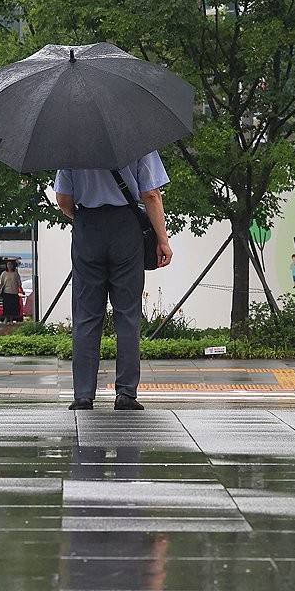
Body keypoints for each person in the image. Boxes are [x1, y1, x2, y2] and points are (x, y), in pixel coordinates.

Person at [55, 152, 172, 411]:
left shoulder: (71, 142)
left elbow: (63, 199)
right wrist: (162, 240)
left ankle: (83, 394)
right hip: (125, 228)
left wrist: (84, 220)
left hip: (87, 226)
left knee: (86, 315)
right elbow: (151, 194)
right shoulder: (138, 140)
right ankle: (126, 393)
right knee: (128, 314)